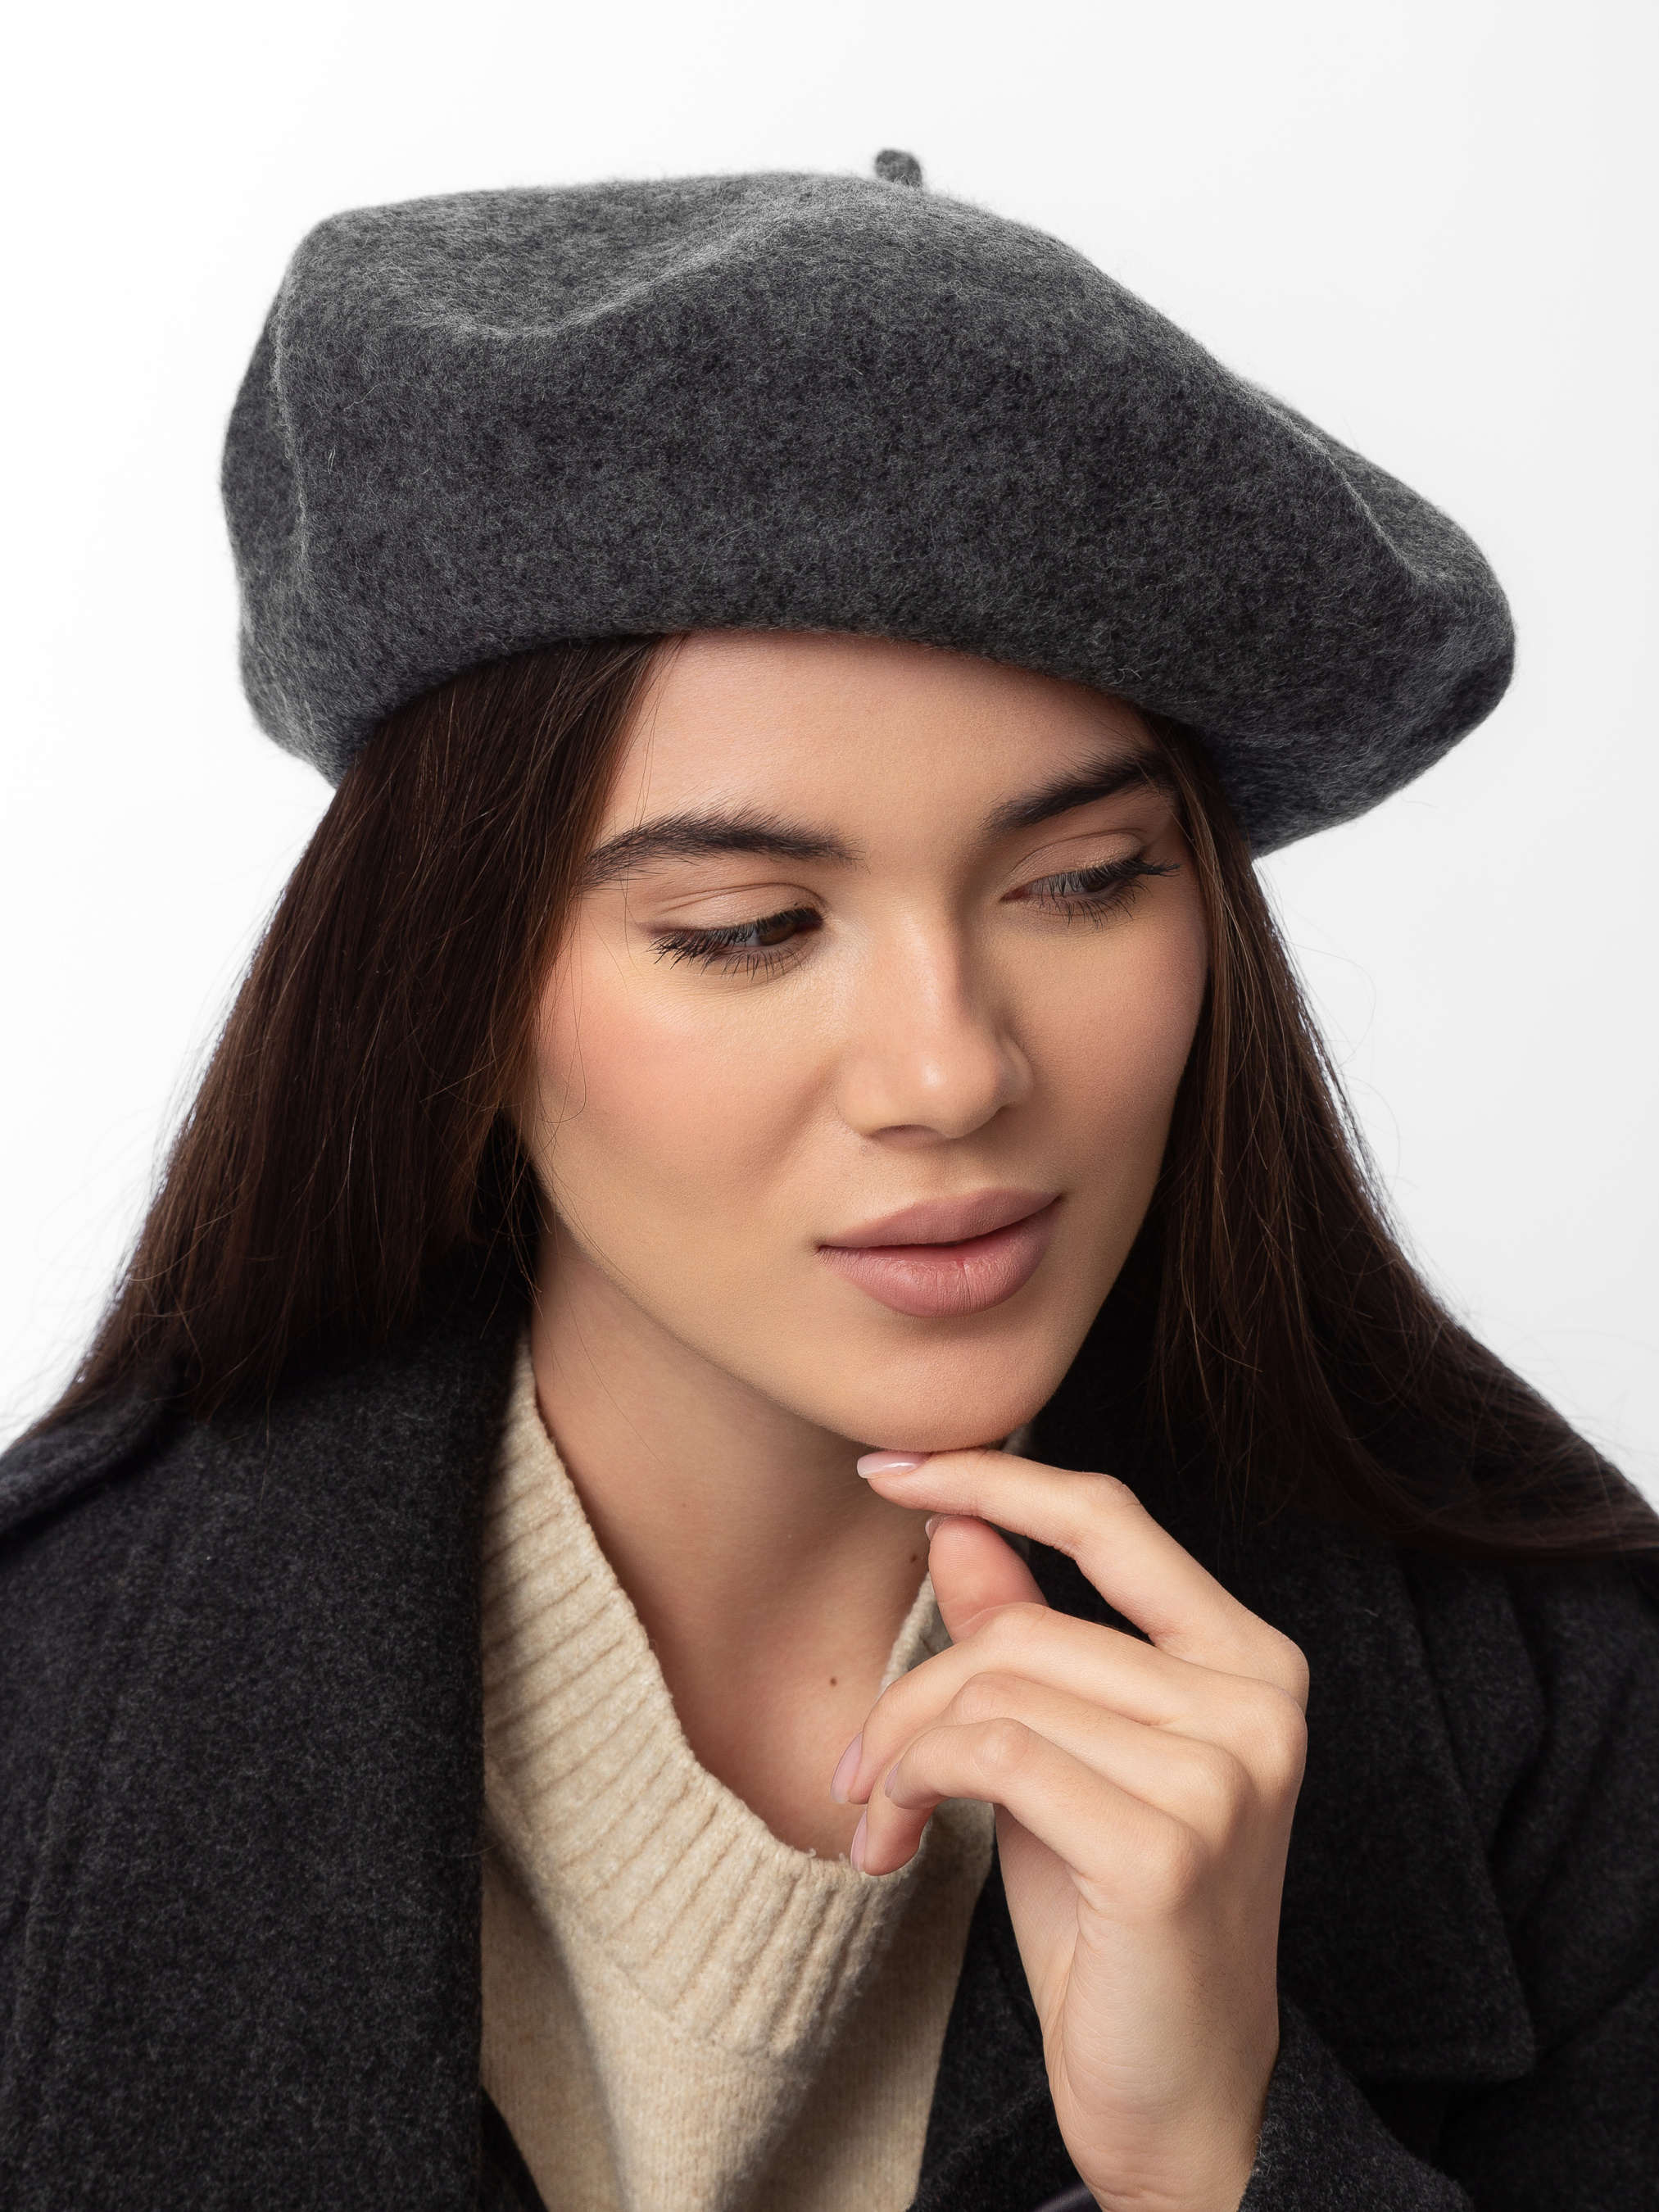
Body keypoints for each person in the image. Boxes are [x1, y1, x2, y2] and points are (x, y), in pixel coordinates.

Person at [1, 155, 1653, 2212]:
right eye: (747, 930)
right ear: (447, 989)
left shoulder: (1563, 1707)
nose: (951, 1074)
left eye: (1084, 883)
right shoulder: (47, 1702)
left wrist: (1221, 2157)